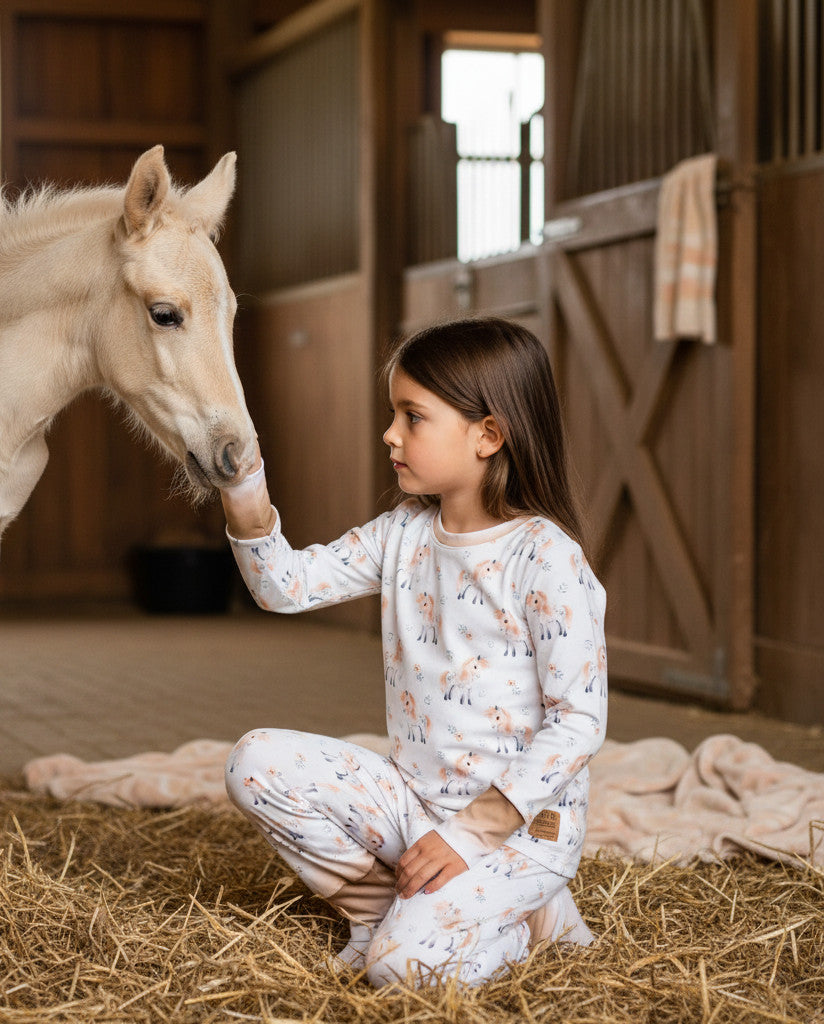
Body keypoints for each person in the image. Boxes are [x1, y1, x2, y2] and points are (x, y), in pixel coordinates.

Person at [216, 316, 607, 988]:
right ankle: (378, 916)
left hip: (517, 832)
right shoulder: (403, 533)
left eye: (413, 417)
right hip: (415, 804)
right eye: (393, 414)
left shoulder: (545, 557)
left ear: (488, 435)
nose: (390, 434)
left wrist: (469, 835)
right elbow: (284, 587)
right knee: (253, 763)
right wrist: (243, 487)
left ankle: (523, 921)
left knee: (398, 973)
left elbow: (579, 722)